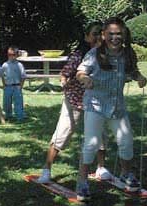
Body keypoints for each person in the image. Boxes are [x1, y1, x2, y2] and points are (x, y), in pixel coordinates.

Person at [75, 17, 147, 201]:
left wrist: (140, 78)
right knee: (91, 145)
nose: (115, 37)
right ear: (104, 35)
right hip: (95, 106)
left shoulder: (128, 54)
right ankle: (82, 182)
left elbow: (132, 71)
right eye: (111, 34)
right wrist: (85, 79)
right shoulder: (94, 53)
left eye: (119, 34)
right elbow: (80, 72)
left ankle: (125, 174)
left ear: (124, 35)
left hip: (117, 107)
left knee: (126, 141)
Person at [36, 22, 113, 183]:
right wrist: (64, 81)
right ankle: (47, 170)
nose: (98, 36)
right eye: (94, 33)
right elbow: (65, 74)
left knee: (100, 135)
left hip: (96, 102)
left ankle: (101, 168)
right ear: (86, 37)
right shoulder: (78, 55)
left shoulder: (107, 56)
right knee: (63, 133)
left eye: (101, 33)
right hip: (74, 101)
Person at [1, 46, 27, 122]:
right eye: (9, 54)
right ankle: (8, 115)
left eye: (13, 54)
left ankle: (20, 116)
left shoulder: (19, 65)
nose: (11, 56)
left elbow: (23, 76)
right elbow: (2, 75)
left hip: (17, 86)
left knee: (18, 102)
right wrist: (4, 84)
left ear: (16, 55)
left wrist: (20, 86)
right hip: (8, 86)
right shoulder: (5, 65)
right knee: (7, 102)